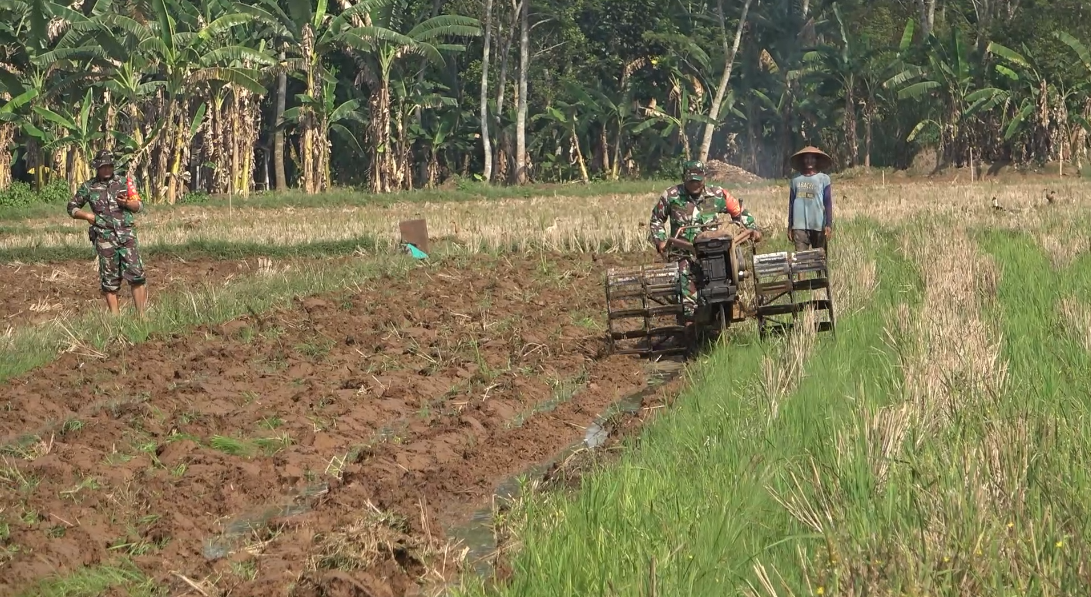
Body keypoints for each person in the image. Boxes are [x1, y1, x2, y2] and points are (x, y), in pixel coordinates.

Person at [649, 159, 762, 325]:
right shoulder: (671, 196)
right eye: (691, 180)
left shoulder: (717, 194)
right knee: (684, 276)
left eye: (698, 180)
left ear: (704, 178)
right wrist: (661, 240)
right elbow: (656, 219)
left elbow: (738, 211)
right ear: (684, 178)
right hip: (684, 252)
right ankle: (690, 320)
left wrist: (752, 228)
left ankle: (727, 304)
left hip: (714, 251)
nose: (695, 184)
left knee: (731, 271)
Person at [67, 150, 148, 316]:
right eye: (104, 167)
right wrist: (88, 216)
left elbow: (139, 206)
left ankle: (142, 317)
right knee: (109, 281)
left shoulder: (125, 182)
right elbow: (72, 207)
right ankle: (115, 319)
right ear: (97, 167)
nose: (107, 170)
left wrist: (128, 203)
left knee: (137, 276)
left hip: (126, 237)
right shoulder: (89, 187)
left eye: (110, 166)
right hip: (105, 239)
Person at [787, 146, 834, 251]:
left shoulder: (824, 179)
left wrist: (829, 224)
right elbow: (791, 203)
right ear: (803, 160)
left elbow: (828, 203)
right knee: (801, 260)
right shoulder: (795, 180)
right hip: (799, 227)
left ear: (816, 160)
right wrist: (790, 225)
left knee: (820, 260)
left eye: (812, 158)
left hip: (818, 226)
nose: (809, 161)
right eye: (807, 158)